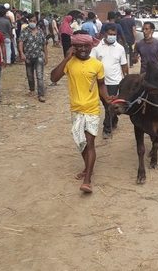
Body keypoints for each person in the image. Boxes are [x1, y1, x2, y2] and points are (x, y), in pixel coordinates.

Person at [50, 31, 112, 193]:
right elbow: (53, 78)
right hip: (76, 110)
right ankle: (87, 168)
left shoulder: (97, 65)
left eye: (86, 46)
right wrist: (66, 58)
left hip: (92, 109)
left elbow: (101, 85)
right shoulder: (69, 64)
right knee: (80, 143)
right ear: (73, 47)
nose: (83, 49)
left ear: (91, 47)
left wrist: (108, 99)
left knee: (90, 143)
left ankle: (87, 180)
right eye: (79, 46)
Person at [90, 24, 128, 138]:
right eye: (110, 34)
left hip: (114, 82)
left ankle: (107, 129)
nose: (112, 36)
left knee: (109, 105)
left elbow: (124, 65)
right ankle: (114, 119)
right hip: (100, 82)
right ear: (104, 34)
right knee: (106, 105)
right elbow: (91, 63)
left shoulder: (120, 48)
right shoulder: (96, 47)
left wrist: (126, 79)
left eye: (114, 34)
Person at [19, 14, 48, 102]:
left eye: (34, 21)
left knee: (39, 76)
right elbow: (21, 42)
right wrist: (21, 53)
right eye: (30, 21)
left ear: (37, 21)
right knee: (30, 75)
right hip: (28, 57)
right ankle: (32, 89)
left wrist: (46, 56)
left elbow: (44, 45)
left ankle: (41, 94)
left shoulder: (40, 31)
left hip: (39, 56)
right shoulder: (25, 31)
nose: (32, 22)